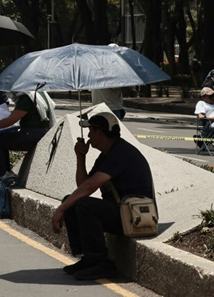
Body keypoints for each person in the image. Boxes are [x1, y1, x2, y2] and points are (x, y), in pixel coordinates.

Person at [51, 105, 154, 280]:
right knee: (72, 201)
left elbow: (89, 188)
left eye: (91, 130)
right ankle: (88, 259)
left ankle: (100, 263)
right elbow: (83, 184)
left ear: (101, 132)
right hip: (123, 213)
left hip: (136, 218)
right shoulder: (107, 154)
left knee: (83, 205)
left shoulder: (120, 153)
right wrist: (80, 157)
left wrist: (61, 209)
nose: (88, 135)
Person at [0, 91, 54, 178]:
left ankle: (2, 174)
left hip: (30, 135)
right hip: (39, 133)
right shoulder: (40, 94)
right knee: (3, 138)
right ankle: (6, 171)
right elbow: (18, 113)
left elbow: (11, 120)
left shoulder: (27, 98)